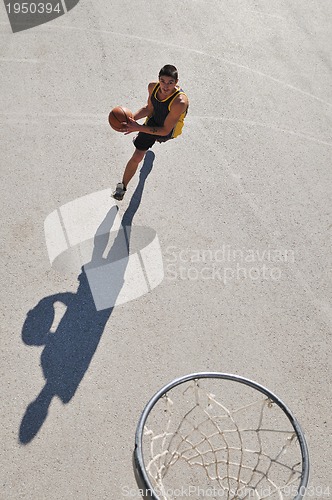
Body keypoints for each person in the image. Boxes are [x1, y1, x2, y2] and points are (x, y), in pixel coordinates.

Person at [113, 64, 189, 201]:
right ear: (158, 79)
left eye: (170, 83)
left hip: (168, 131)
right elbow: (149, 109)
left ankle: (143, 138)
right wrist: (129, 120)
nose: (165, 86)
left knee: (157, 137)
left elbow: (165, 129)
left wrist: (137, 127)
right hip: (153, 122)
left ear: (176, 83)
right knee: (137, 156)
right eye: (163, 81)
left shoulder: (180, 102)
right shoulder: (153, 87)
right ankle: (122, 187)